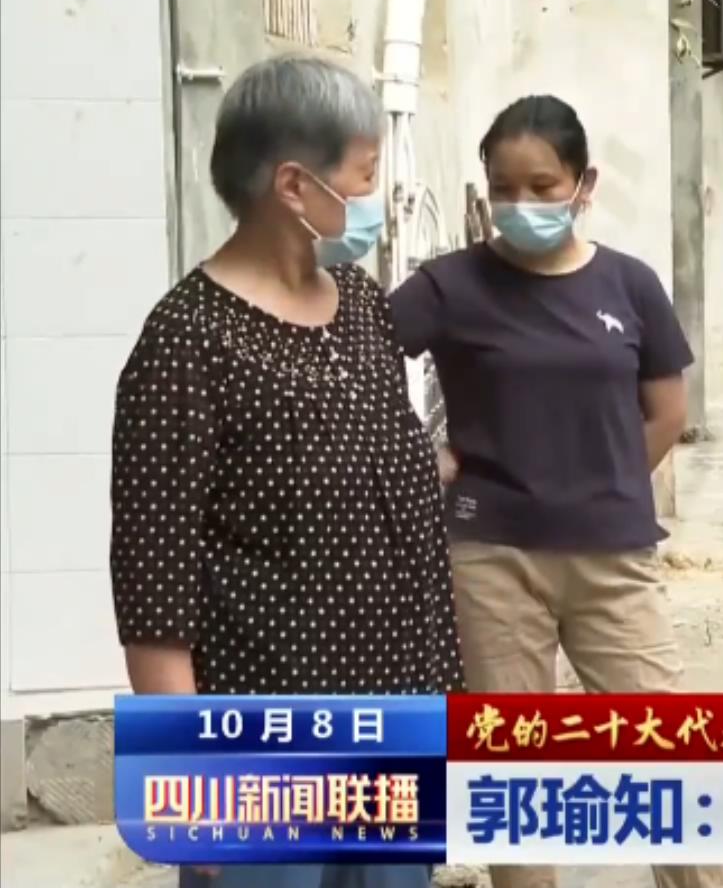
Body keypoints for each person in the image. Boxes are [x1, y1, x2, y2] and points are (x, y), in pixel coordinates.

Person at [110, 54, 461, 888]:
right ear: (296, 186)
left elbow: (387, 477)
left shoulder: (362, 305)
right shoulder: (188, 342)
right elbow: (154, 583)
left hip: (392, 730)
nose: (377, 198)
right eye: (365, 175)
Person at [389, 95, 723, 888]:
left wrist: (600, 482)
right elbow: (352, 362)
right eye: (504, 189)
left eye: (543, 187)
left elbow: (666, 411)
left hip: (613, 558)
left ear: (584, 184)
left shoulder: (629, 284)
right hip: (490, 559)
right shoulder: (449, 286)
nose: (523, 205)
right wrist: (417, 456)